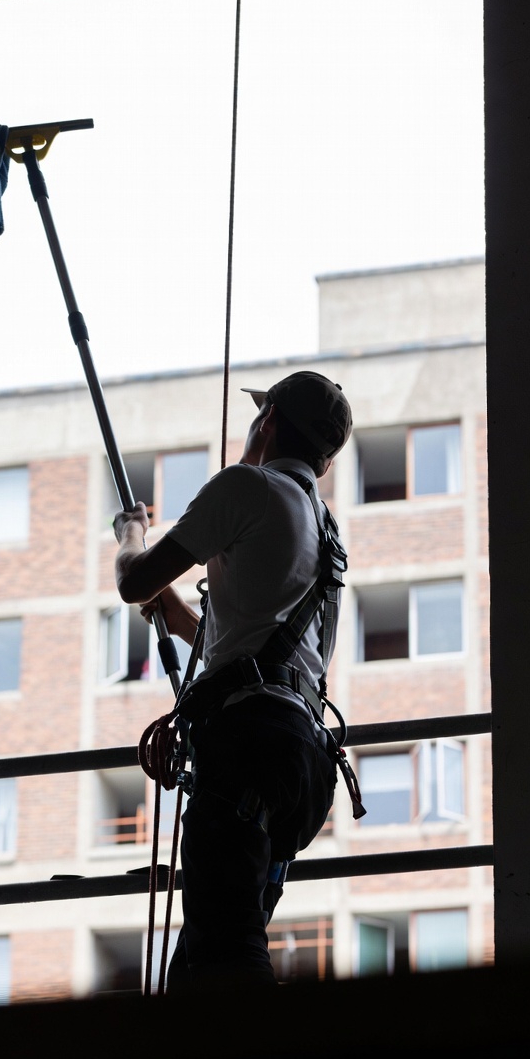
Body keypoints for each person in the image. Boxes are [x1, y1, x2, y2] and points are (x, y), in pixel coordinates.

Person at [113, 371, 352, 990]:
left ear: (267, 422)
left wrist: (130, 534)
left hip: (247, 746)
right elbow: (253, 647)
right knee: (200, 963)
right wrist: (178, 615)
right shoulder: (323, 530)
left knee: (228, 956)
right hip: (299, 760)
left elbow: (134, 579)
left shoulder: (245, 487)